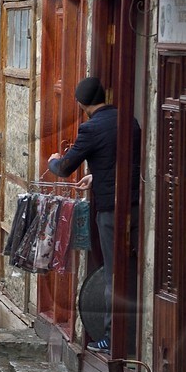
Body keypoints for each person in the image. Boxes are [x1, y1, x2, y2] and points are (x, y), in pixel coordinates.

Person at [46, 76, 118, 274]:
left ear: (81, 103)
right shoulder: (128, 120)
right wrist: (95, 177)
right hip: (137, 205)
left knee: (113, 272)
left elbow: (64, 168)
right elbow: (124, 163)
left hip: (110, 209)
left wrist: (53, 160)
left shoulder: (90, 128)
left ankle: (114, 305)